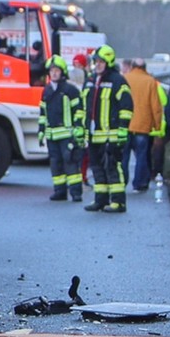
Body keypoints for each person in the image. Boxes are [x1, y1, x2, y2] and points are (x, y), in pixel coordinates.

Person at [83, 45, 133, 213]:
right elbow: (84, 107)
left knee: (112, 167)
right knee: (96, 169)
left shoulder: (117, 80)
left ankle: (118, 202)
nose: (97, 64)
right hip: (94, 134)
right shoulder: (90, 81)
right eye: (96, 61)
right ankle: (100, 200)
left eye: (101, 61)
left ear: (109, 62)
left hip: (111, 134)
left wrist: (123, 129)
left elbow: (126, 106)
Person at [40, 56, 85, 202]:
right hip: (52, 135)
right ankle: (59, 191)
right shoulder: (46, 91)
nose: (54, 73)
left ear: (62, 72)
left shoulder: (70, 90)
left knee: (70, 162)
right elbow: (42, 113)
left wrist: (78, 127)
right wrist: (41, 130)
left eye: (56, 70)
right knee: (55, 164)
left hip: (67, 134)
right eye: (51, 70)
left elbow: (79, 110)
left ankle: (76, 192)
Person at [123, 57, 162, 193]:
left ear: (132, 66)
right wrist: (157, 126)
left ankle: (121, 182)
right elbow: (156, 107)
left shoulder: (125, 79)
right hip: (143, 126)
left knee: (123, 157)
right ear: (145, 67)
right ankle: (139, 184)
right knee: (141, 156)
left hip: (125, 125)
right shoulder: (150, 81)